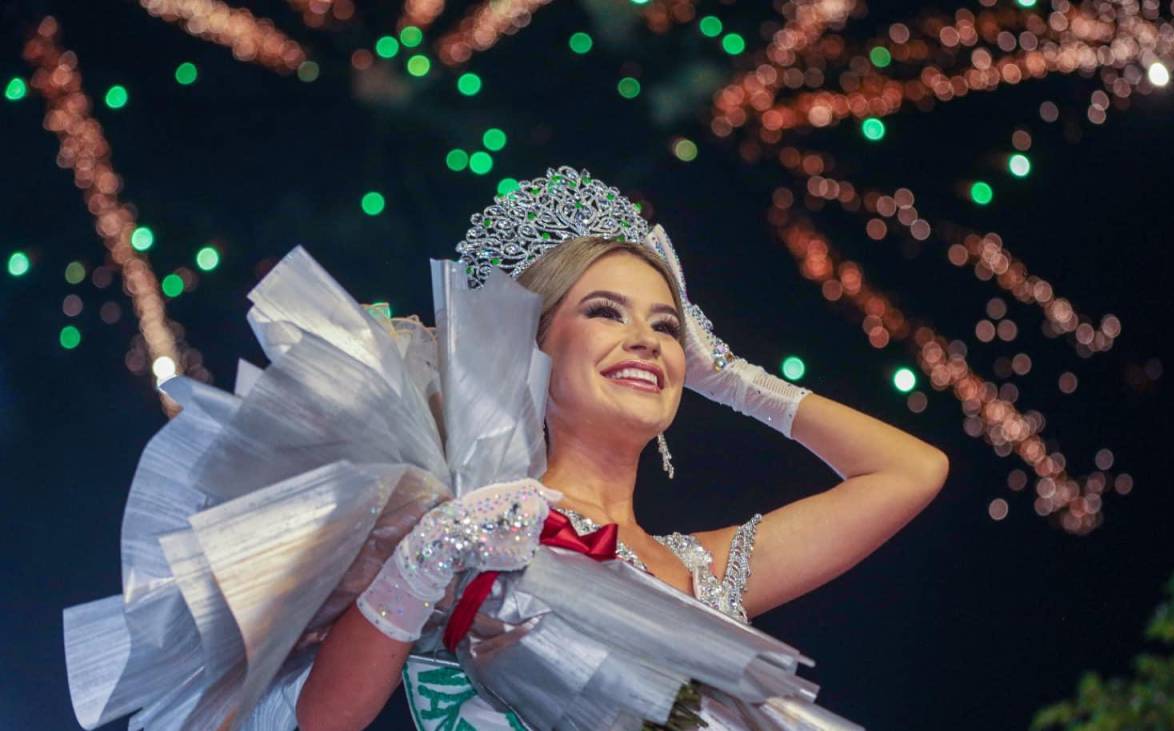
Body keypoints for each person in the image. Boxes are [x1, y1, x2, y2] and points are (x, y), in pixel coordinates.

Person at [61, 166, 947, 731]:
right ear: (538, 353)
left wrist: (736, 378)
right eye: (604, 312)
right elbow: (323, 721)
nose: (645, 339)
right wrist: (428, 552)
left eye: (666, 327)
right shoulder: (467, 526)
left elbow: (913, 471)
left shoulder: (702, 573)